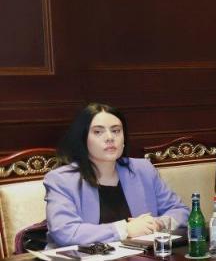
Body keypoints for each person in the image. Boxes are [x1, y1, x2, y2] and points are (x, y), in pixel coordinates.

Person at [44, 103, 188, 247]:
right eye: (98, 132)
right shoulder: (62, 180)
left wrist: (158, 224)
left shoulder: (143, 170)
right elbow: (64, 232)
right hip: (84, 260)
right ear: (83, 139)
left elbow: (181, 211)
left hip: (141, 258)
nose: (110, 137)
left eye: (116, 131)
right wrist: (125, 230)